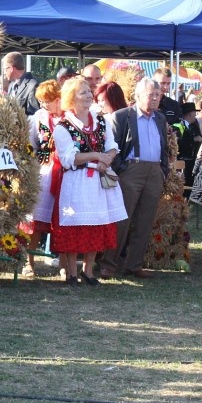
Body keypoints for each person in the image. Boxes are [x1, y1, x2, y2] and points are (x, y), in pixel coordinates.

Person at [52, 77, 127, 286]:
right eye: (82, 92)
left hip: (98, 181)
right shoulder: (63, 127)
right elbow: (68, 158)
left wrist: (107, 158)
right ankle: (71, 272)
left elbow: (112, 145)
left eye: (88, 91)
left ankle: (88, 270)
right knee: (73, 225)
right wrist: (97, 156)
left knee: (97, 223)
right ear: (71, 98)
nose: (87, 96)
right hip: (77, 181)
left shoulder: (101, 121)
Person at [100, 78, 169, 279]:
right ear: (137, 96)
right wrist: (121, 169)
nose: (155, 98)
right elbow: (113, 146)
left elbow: (164, 146)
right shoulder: (122, 116)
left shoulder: (160, 118)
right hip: (131, 171)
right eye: (151, 95)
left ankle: (134, 264)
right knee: (122, 219)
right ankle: (108, 264)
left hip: (154, 171)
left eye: (158, 95)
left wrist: (163, 170)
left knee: (145, 220)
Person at [24, 80, 63, 277]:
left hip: (65, 171)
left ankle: (64, 263)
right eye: (40, 101)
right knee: (36, 219)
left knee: (63, 220)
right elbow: (30, 145)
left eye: (46, 101)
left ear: (58, 99)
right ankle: (29, 262)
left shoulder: (68, 117)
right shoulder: (38, 118)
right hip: (44, 170)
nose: (42, 105)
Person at [172, 103, 202, 193]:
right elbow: (177, 142)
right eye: (194, 113)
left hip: (192, 163)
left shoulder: (194, 126)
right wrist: (193, 139)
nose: (195, 116)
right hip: (182, 163)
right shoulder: (178, 126)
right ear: (190, 114)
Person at [3, 51, 39, 116]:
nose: (4, 72)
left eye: (5, 69)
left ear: (11, 68)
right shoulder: (11, 85)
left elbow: (34, 115)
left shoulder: (33, 85)